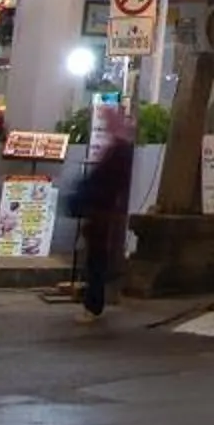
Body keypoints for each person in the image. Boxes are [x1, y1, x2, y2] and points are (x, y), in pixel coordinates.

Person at [75, 104, 138, 321]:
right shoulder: (118, 148)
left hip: (103, 211)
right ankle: (93, 301)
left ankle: (93, 304)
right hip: (102, 210)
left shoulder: (119, 150)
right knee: (96, 258)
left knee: (97, 259)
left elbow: (107, 182)